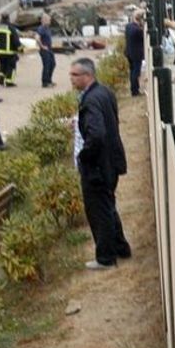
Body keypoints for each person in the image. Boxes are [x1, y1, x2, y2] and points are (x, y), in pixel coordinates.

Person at [71, 58, 131, 270]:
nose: (72, 79)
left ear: (87, 75)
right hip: (111, 161)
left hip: (98, 166)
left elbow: (96, 134)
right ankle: (120, 247)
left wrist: (84, 157)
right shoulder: (104, 93)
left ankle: (105, 257)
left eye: (75, 75)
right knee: (108, 205)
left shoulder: (90, 101)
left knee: (99, 211)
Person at [0, 13, 22, 88]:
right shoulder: (11, 27)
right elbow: (15, 39)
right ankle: (9, 81)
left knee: (2, 65)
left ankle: (0, 77)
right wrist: (20, 48)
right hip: (9, 51)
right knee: (11, 66)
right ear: (8, 18)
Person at [124, 10, 145, 97]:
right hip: (136, 54)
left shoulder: (128, 26)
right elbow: (143, 39)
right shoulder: (138, 31)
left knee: (132, 71)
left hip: (129, 52)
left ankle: (134, 89)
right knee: (136, 72)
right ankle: (135, 91)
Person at [37, 14, 56, 88]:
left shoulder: (47, 28)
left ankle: (49, 80)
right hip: (45, 50)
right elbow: (37, 38)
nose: (50, 21)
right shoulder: (41, 28)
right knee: (47, 65)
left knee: (53, 64)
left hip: (49, 49)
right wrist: (42, 46)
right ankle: (45, 82)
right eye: (49, 19)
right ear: (44, 20)